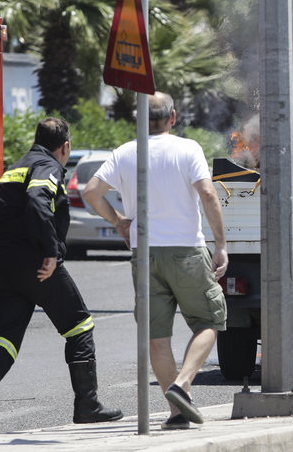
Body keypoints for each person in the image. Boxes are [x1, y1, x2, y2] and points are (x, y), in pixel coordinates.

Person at [84, 92, 228, 431]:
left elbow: (91, 192)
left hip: (145, 253)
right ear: (173, 117)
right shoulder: (188, 148)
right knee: (210, 321)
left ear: (140, 119)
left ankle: (176, 414)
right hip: (186, 251)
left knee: (155, 336)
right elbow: (208, 193)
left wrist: (119, 220)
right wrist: (220, 243)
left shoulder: (125, 152)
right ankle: (182, 385)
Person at [0, 118, 122, 435]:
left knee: (4, 341)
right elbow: (36, 200)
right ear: (65, 147)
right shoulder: (48, 166)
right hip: (35, 264)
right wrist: (51, 253)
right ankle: (87, 405)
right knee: (79, 324)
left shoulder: (15, 167)